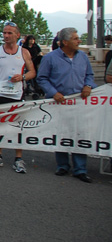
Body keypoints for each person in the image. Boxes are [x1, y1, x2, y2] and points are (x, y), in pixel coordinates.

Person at [36, 27, 97, 183]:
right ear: (64, 42)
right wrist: (53, 92)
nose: (79, 41)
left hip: (80, 103)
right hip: (59, 103)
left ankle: (80, 168)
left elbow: (89, 75)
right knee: (61, 133)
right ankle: (62, 165)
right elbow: (42, 78)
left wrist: (88, 86)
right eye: (75, 38)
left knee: (80, 133)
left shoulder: (83, 57)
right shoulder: (50, 58)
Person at [0, 21, 36, 173]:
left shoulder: (24, 52)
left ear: (17, 35)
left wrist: (21, 77)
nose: (6, 36)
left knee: (17, 127)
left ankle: (18, 158)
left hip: (17, 95)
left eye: (9, 33)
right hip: (0, 94)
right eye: (4, 33)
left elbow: (32, 72)